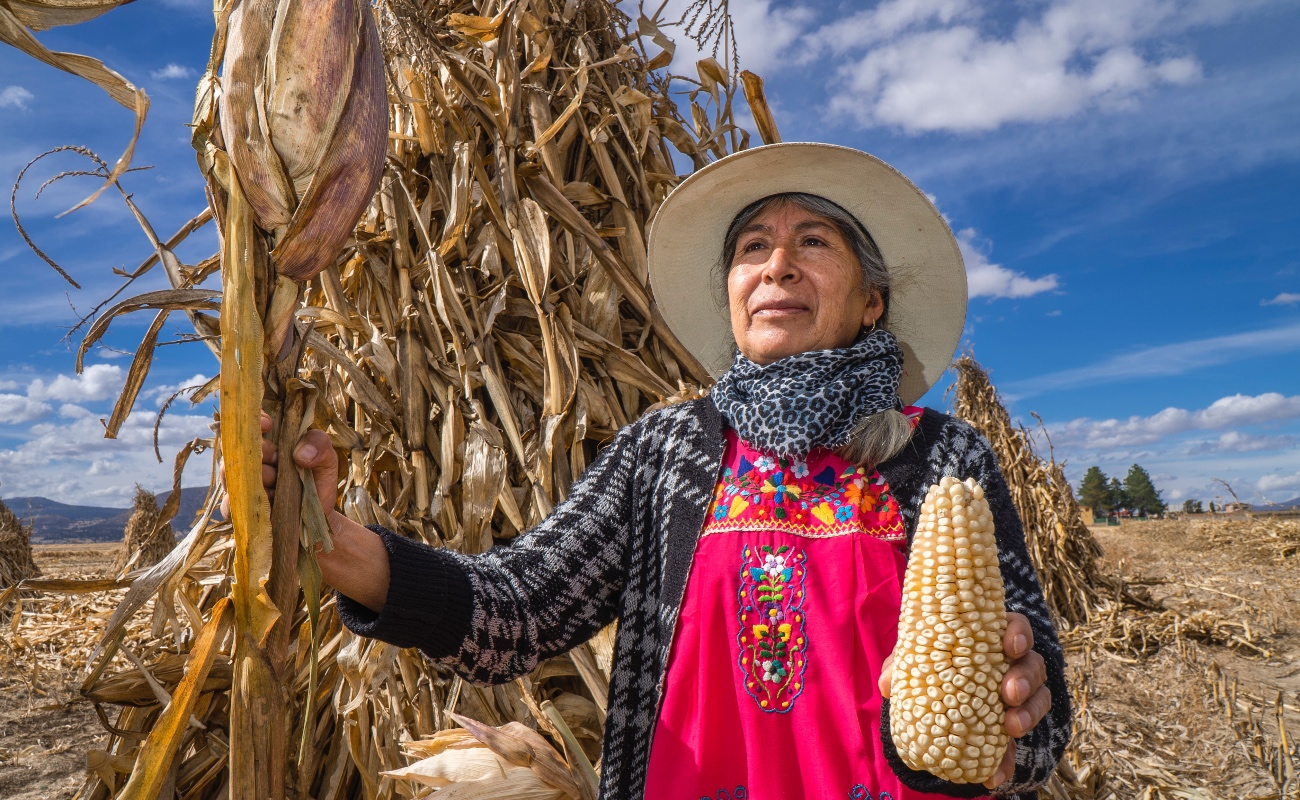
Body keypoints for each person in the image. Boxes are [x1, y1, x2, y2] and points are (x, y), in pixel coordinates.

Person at [255, 143, 1069, 799]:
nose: (777, 266)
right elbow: (519, 608)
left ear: (872, 302)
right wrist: (328, 537)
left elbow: (1042, 706)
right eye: (753, 248)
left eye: (814, 243)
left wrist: (1014, 728)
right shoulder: (666, 451)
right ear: (733, 293)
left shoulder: (943, 459)